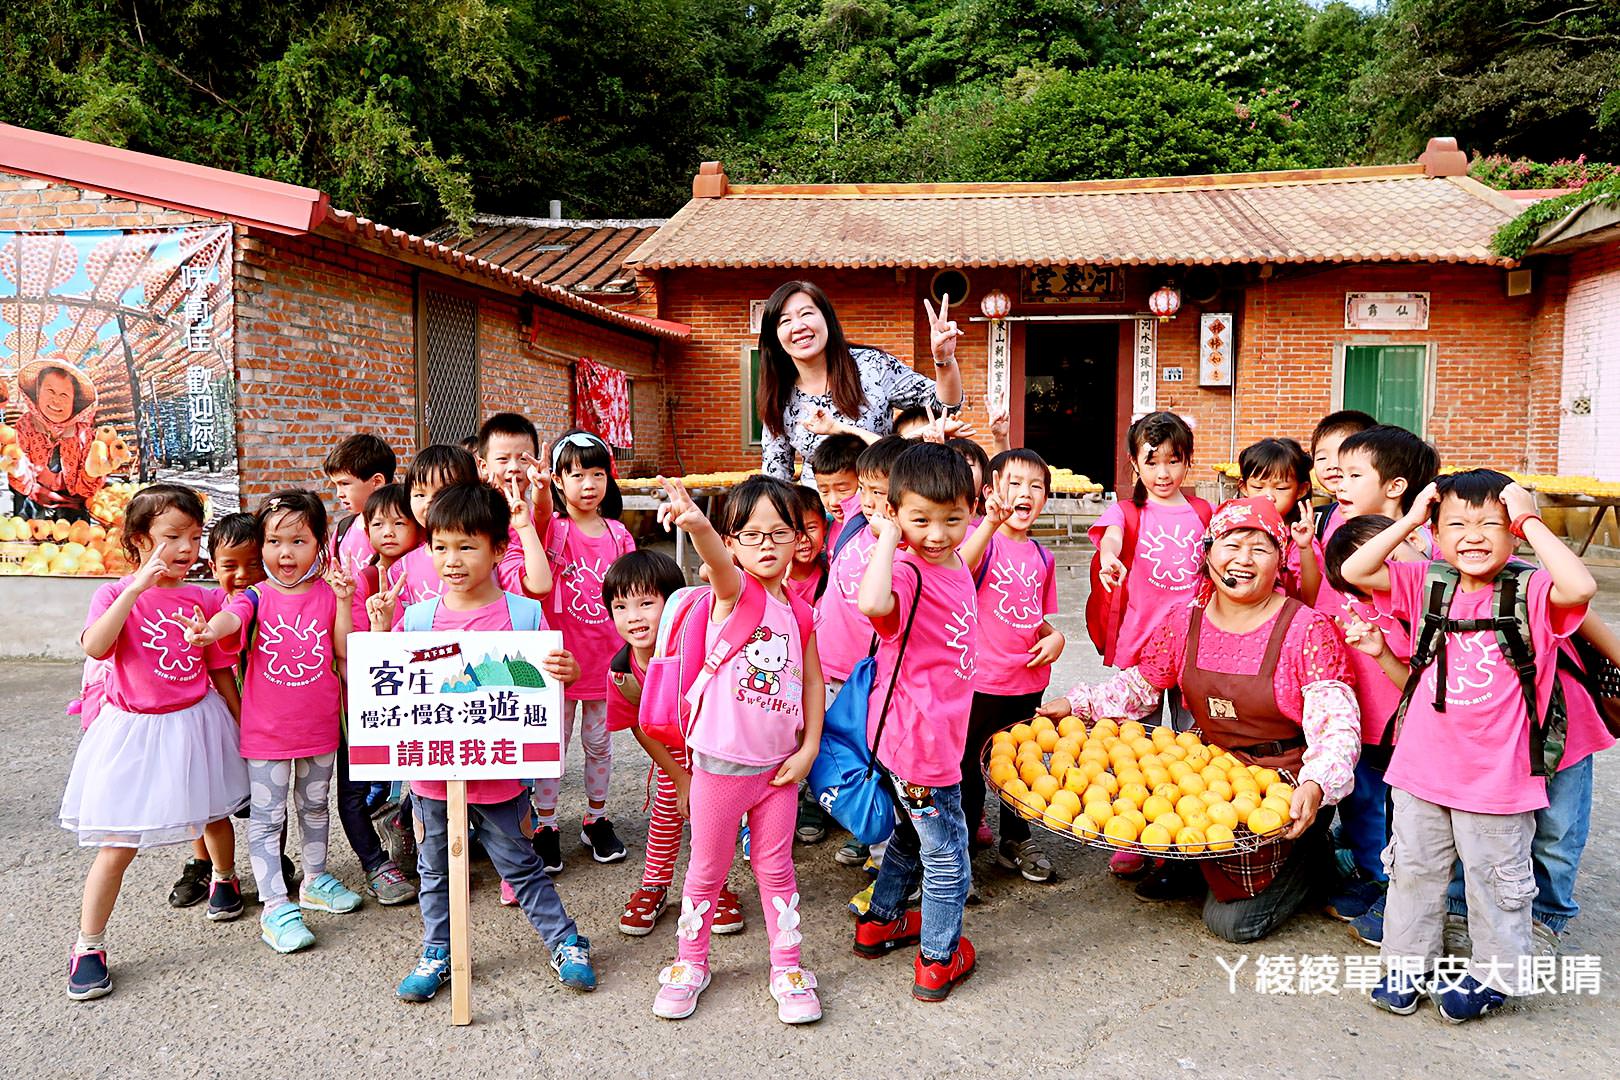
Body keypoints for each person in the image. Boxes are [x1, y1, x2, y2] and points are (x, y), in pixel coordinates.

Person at [1044, 498, 1361, 944]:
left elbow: (1337, 724)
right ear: (1209, 552)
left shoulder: (1305, 629)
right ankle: (1197, 864)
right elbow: (1142, 684)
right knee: (1150, 786)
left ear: (1282, 558)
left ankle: (1310, 856)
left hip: (1282, 780)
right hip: (1206, 769)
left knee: (1231, 924)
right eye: (1232, 544)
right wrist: (1078, 705)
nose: (1244, 559)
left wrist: (1315, 785)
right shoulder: (1185, 621)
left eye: (1261, 547)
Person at [1342, 472, 1595, 1022]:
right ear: (1436, 529)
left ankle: (1496, 977)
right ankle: (1406, 966)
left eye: (1491, 524)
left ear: (1514, 535)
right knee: (1412, 872)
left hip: (1498, 778)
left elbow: (1578, 588)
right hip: (1420, 768)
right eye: (1456, 523)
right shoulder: (1427, 581)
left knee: (1495, 881)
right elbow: (1354, 569)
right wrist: (1410, 519)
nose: (1473, 536)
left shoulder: (1529, 590)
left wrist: (1531, 517)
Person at [365, 483, 597, 1003]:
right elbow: (391, 692)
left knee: (520, 863)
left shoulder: (524, 617)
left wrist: (569, 670)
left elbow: (549, 679)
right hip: (431, 777)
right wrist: (382, 635)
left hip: (501, 774)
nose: (452, 559)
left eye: (467, 546)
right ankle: (437, 951)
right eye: (441, 546)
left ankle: (566, 941)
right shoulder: (419, 619)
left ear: (498, 549)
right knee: (434, 870)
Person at [60, 484, 250, 1000]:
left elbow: (220, 669)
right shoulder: (112, 593)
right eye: (173, 536)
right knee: (118, 841)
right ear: (140, 539)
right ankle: (89, 944)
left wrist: (242, 725)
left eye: (194, 535)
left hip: (195, 720)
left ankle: (225, 877)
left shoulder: (206, 595)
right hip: (133, 730)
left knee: (213, 811)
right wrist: (133, 590)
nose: (188, 548)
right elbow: (96, 646)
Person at [651, 474, 825, 1024]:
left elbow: (814, 682)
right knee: (706, 867)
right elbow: (714, 561)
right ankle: (691, 961)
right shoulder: (735, 592)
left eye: (779, 532)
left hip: (778, 771)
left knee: (777, 869)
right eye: (751, 534)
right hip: (719, 769)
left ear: (801, 539)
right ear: (732, 544)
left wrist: (810, 749)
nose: (766, 545)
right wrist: (697, 523)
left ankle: (787, 965)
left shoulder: (799, 610)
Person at [183, 490, 366, 953]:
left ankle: (316, 880)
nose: (286, 553)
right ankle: (273, 904)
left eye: (299, 541)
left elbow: (344, 650)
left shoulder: (329, 593)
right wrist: (209, 630)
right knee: (266, 820)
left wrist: (345, 601)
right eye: (274, 541)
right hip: (264, 735)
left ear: (319, 543)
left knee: (315, 807)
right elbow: (230, 616)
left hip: (322, 728)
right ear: (261, 544)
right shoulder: (255, 597)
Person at [852, 442, 980, 1003]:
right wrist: (886, 537)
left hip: (928, 738)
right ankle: (938, 956)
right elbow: (871, 602)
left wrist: (988, 524)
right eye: (920, 519)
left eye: (953, 518)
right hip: (920, 743)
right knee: (949, 851)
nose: (937, 533)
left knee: (912, 831)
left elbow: (961, 561)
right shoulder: (905, 568)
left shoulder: (951, 561)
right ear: (897, 512)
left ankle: (881, 921)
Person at [1086, 411, 1212, 876]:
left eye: (1174, 461)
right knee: (1132, 743)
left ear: (1188, 463)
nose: (1163, 473)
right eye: (1152, 461)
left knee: (1186, 741)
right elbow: (1110, 539)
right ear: (1134, 464)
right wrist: (1109, 559)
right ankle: (1133, 834)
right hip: (1141, 645)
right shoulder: (1126, 510)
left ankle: (1178, 831)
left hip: (1192, 647)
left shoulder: (1203, 513)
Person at [605, 551, 747, 937]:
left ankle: (715, 887)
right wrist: (680, 776)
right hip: (674, 758)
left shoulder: (699, 644)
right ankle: (654, 885)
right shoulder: (622, 673)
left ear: (674, 604)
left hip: (716, 752)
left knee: (713, 822)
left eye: (647, 603)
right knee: (667, 813)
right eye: (621, 606)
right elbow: (639, 727)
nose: (634, 616)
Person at [959, 449, 1065, 889]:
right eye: (1014, 484)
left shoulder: (1042, 556)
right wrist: (988, 522)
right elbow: (957, 570)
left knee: (1019, 766)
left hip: (1026, 682)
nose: (1025, 493)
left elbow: (1037, 617)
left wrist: (1056, 638)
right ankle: (958, 853)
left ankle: (1015, 841)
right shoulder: (979, 538)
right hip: (980, 682)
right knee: (967, 770)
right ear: (990, 492)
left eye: (1036, 486)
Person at [534, 429, 636, 869]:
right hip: (557, 660)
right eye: (576, 474)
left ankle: (596, 818)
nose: (588, 484)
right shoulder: (551, 530)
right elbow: (530, 529)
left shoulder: (618, 533)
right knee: (551, 745)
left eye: (597, 473)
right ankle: (545, 823)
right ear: (558, 480)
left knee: (598, 744)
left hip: (603, 659)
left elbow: (634, 592)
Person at [1317, 515, 1424, 932]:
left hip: (1414, 735)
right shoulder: (1344, 608)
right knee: (1361, 805)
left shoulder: (1423, 605)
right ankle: (1373, 876)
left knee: (1408, 817)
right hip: (1363, 731)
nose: (1387, 571)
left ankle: (1401, 891)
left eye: (1390, 554)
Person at [756, 280, 964, 482]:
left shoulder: (872, 366)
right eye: (785, 321)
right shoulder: (779, 394)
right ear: (775, 337)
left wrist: (944, 358)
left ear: (827, 318)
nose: (798, 326)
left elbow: (946, 406)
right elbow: (776, 474)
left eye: (806, 314)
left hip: (881, 505)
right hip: (822, 512)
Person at [816, 436, 910, 877]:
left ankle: (885, 866)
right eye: (866, 490)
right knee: (851, 761)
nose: (870, 500)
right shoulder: (853, 519)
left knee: (876, 766)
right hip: (833, 671)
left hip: (870, 678)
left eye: (881, 492)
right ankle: (866, 833)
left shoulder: (906, 546)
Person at [165, 512, 266, 910]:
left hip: (260, 712)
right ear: (213, 566)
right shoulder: (205, 604)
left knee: (258, 796)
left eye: (253, 564)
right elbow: (218, 672)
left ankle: (269, 859)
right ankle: (202, 862)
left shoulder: (272, 602)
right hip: (218, 712)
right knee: (202, 790)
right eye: (230, 566)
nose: (243, 575)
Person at [8, 360, 111, 521]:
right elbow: (20, 472)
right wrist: (26, 480)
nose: (56, 400)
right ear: (37, 393)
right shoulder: (25, 425)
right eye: (50, 391)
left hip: (72, 506)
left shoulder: (83, 434)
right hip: (32, 501)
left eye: (64, 395)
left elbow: (86, 486)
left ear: (74, 401)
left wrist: (93, 474)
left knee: (76, 542)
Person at [1237, 438, 1320, 604]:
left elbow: (1311, 598)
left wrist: (1305, 548)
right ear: (1244, 487)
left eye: (1281, 488)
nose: (1269, 496)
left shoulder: (1299, 538)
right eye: (1258, 487)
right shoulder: (1232, 530)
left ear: (1301, 490)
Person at [1331, 424, 1439, 536]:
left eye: (1354, 475)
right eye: (1340, 476)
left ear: (1395, 487)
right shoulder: (1343, 537)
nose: (1340, 487)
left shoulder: (1429, 541)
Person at [322, 433, 396, 578]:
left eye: (345, 484)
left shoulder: (403, 531)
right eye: (336, 485)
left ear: (376, 482)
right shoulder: (343, 529)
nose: (339, 494)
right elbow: (331, 576)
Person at [1309, 410, 1376, 540]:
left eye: (1341, 455)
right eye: (1322, 458)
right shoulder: (1317, 519)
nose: (1331, 465)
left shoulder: (1387, 517)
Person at [809, 433, 866, 552]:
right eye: (824, 491)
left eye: (842, 490)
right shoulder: (825, 527)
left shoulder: (875, 527)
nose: (833, 501)